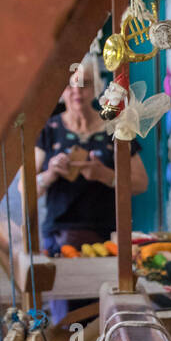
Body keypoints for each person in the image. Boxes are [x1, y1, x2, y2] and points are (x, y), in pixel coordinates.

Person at [34, 59, 148, 323]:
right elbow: (25, 188)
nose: (77, 91)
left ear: (96, 87)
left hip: (105, 237)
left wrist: (104, 175)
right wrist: (51, 173)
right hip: (59, 239)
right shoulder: (48, 131)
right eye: (70, 84)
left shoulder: (116, 126)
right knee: (65, 320)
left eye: (84, 84)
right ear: (61, 89)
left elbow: (141, 183)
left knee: (104, 314)